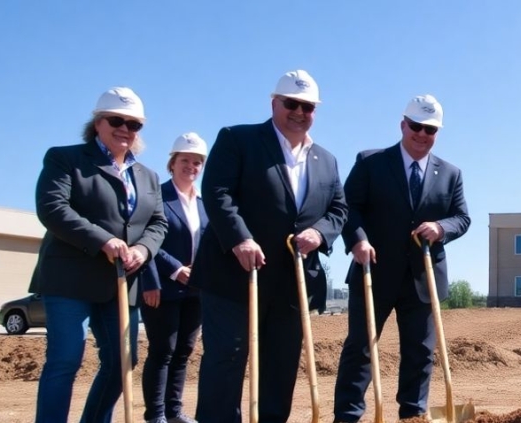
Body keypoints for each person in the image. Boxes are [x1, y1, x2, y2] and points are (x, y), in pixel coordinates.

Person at [190, 69, 348, 422]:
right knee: (227, 357)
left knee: (280, 362)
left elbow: (339, 208)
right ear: (274, 102)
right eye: (291, 103)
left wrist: (321, 233)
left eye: (308, 107)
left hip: (291, 283)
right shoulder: (237, 140)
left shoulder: (326, 160)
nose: (299, 112)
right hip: (234, 276)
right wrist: (239, 238)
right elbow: (217, 193)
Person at [32, 86, 168, 423]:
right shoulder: (65, 159)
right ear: (98, 122)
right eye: (116, 120)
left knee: (122, 361)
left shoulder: (148, 177)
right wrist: (103, 241)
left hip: (120, 284)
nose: (124, 129)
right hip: (70, 281)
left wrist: (143, 249)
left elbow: (158, 222)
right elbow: (53, 208)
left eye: (133, 124)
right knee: (65, 359)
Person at [333, 94, 471, 421]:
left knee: (420, 353)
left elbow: (462, 218)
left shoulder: (451, 173)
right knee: (360, 349)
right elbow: (348, 208)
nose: (422, 134)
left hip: (423, 277)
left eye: (431, 129)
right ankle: (347, 416)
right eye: (416, 126)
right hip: (373, 273)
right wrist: (358, 241)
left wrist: (441, 227)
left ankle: (412, 416)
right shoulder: (370, 162)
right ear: (403, 124)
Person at [138, 132, 209, 423]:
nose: (190, 166)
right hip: (163, 287)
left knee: (184, 351)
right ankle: (155, 415)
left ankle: (173, 410)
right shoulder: (157, 198)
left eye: (196, 162)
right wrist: (170, 271)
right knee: (162, 350)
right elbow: (146, 239)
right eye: (184, 160)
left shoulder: (204, 205)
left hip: (195, 290)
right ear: (172, 163)